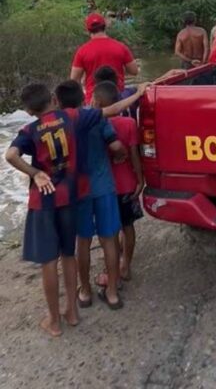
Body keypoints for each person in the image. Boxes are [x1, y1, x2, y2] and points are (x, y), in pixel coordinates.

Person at [4, 81, 146, 336]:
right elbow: (113, 118)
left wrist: (35, 173)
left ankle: (76, 299)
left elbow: (12, 154)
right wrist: (138, 93)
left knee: (69, 248)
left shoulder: (37, 128)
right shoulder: (79, 118)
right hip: (88, 191)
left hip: (65, 196)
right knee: (105, 241)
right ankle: (101, 297)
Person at [55, 81, 125, 310]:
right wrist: (120, 156)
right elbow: (115, 146)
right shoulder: (96, 117)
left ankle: (84, 292)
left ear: (58, 102)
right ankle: (112, 293)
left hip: (78, 191)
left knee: (82, 242)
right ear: (83, 97)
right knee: (109, 240)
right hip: (103, 186)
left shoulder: (58, 124)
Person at [94, 81, 145, 279]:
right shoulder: (129, 123)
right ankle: (126, 266)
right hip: (128, 184)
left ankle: (112, 267)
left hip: (105, 187)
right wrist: (140, 180)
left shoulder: (96, 125)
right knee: (128, 226)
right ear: (118, 101)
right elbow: (134, 155)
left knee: (110, 230)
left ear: (97, 102)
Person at [71, 13, 139, 103]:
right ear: (105, 26)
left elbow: (74, 80)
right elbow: (134, 71)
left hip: (93, 100)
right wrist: (118, 67)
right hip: (118, 99)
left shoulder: (82, 51)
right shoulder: (120, 47)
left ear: (88, 30)